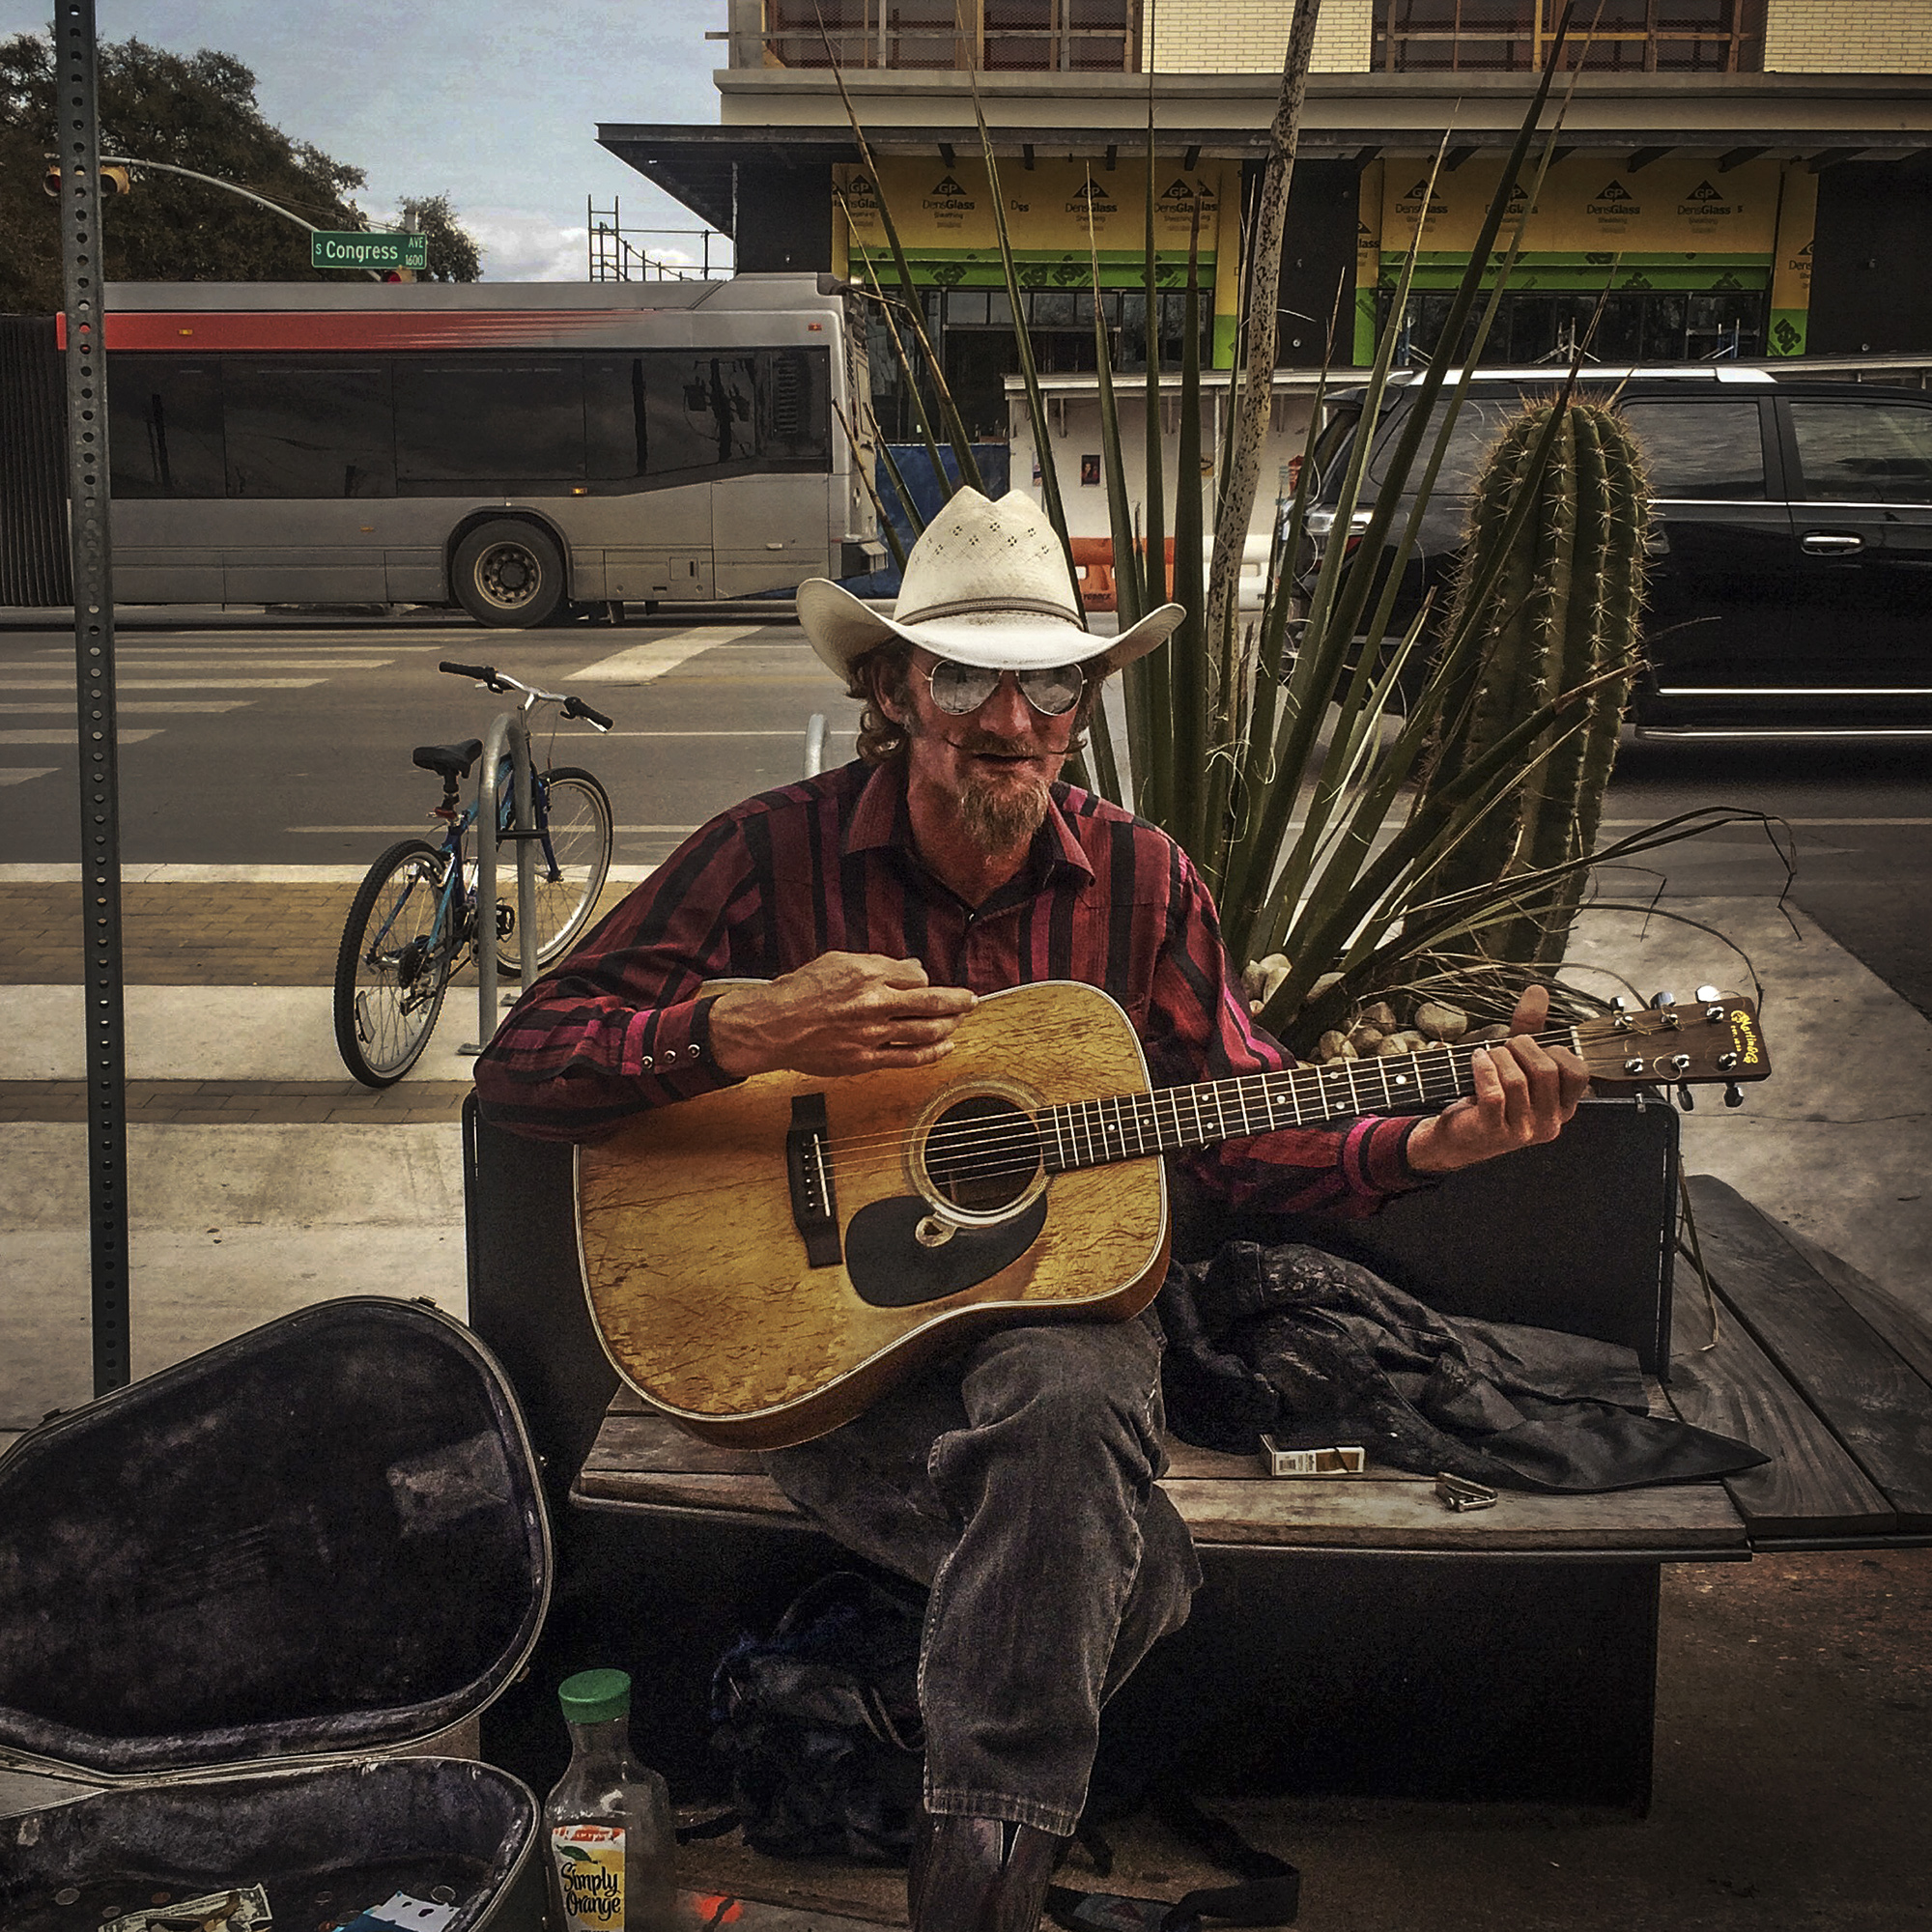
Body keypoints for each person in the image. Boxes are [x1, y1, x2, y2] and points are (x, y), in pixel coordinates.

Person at [474, 488, 1589, 1932]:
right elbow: (521, 1068)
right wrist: (736, 1032)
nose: (1008, 716)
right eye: (961, 674)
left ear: (1084, 703)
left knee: (1065, 1403)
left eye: (1048, 678)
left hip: (1062, 1316)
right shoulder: (766, 858)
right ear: (890, 691)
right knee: (1127, 1564)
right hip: (798, 1347)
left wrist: (1420, 1148)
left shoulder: (1144, 882)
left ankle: (971, 1893)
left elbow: (1240, 1131)